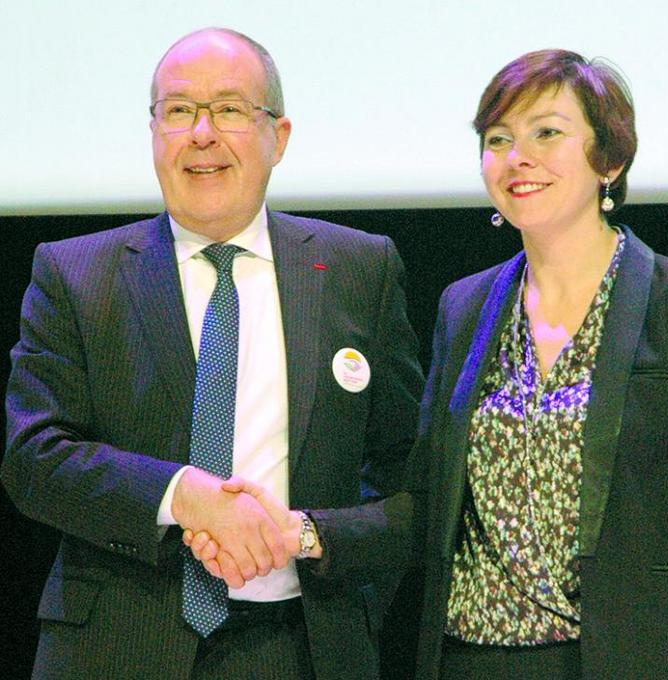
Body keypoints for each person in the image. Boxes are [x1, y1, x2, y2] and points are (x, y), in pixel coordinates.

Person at [191, 49, 668, 678]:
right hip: (468, 657)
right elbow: (427, 501)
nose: (518, 158)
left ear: (610, 161)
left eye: (548, 133)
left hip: (626, 657)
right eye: (498, 138)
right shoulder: (466, 305)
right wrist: (303, 534)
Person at [1, 27, 423, 680]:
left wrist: (312, 539)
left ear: (277, 137)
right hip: (116, 647)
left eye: (228, 109)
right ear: (153, 135)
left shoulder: (356, 269)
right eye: (177, 111)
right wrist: (184, 495)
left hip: (305, 649)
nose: (201, 133)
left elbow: (406, 479)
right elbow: (33, 460)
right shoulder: (75, 273)